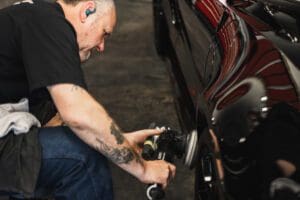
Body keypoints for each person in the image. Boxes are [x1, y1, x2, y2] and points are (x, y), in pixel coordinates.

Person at [0, 0, 176, 199]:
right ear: (87, 10)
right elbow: (79, 115)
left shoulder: (35, 22)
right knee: (81, 158)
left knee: (61, 154)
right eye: (104, 32)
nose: (102, 46)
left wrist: (122, 142)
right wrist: (143, 168)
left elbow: (55, 122)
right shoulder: (49, 23)